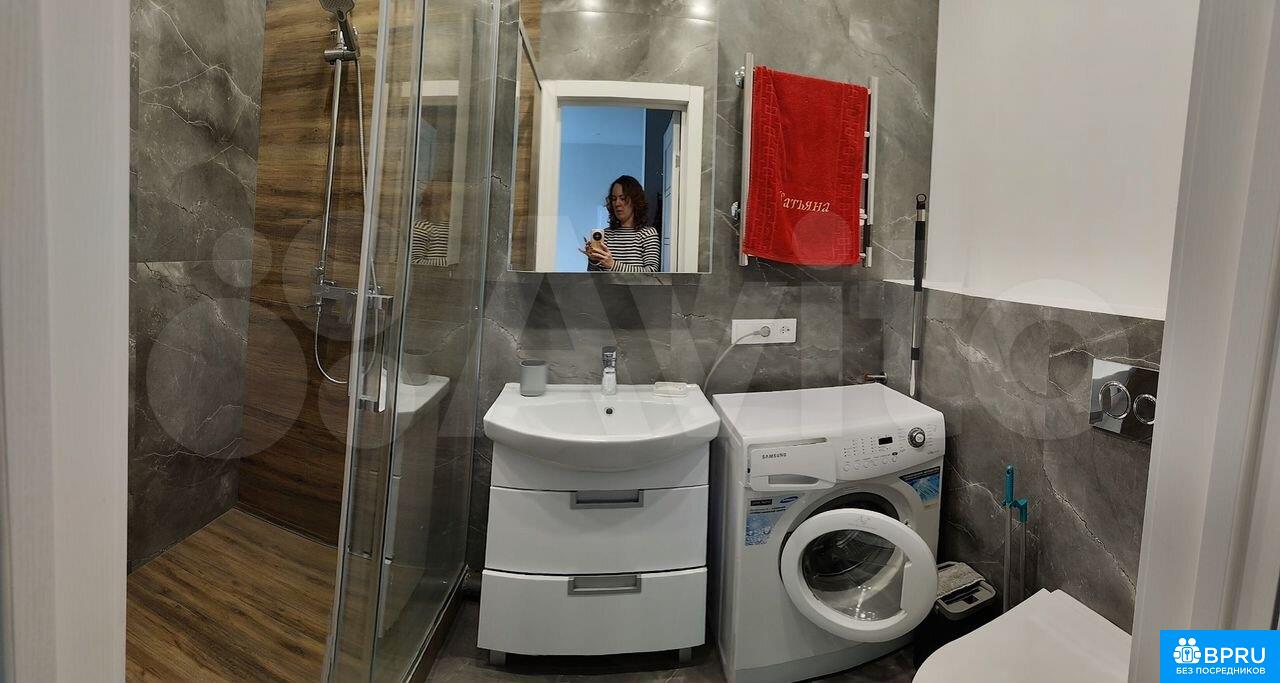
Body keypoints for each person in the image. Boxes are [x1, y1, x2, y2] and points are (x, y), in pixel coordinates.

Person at [583, 175, 661, 273]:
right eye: (614, 199)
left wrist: (613, 265)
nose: (617, 203)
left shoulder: (647, 234)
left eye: (623, 198)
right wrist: (593, 260)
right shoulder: (606, 235)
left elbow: (652, 273)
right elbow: (593, 276)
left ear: (635, 201)